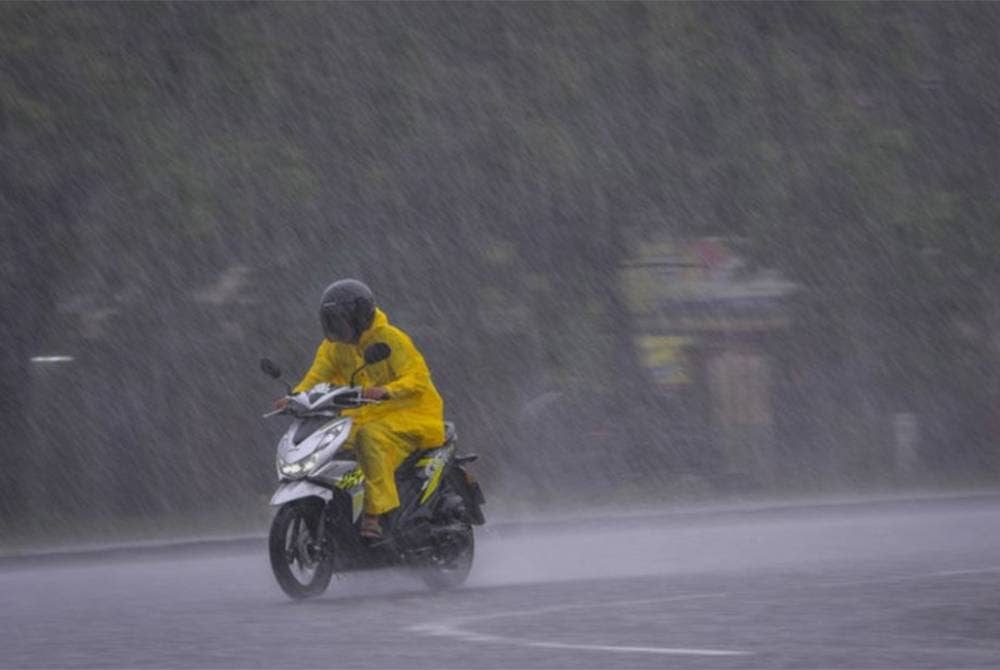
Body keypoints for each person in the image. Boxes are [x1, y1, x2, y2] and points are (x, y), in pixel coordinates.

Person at [277, 279, 445, 540]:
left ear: (359, 316)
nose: (336, 328)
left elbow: (417, 379)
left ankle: (374, 515)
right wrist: (295, 398)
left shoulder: (391, 339)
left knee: (370, 439)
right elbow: (315, 378)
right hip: (364, 416)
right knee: (330, 445)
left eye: (340, 320)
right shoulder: (333, 347)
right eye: (330, 321)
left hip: (411, 415)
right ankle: (340, 511)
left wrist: (387, 391)